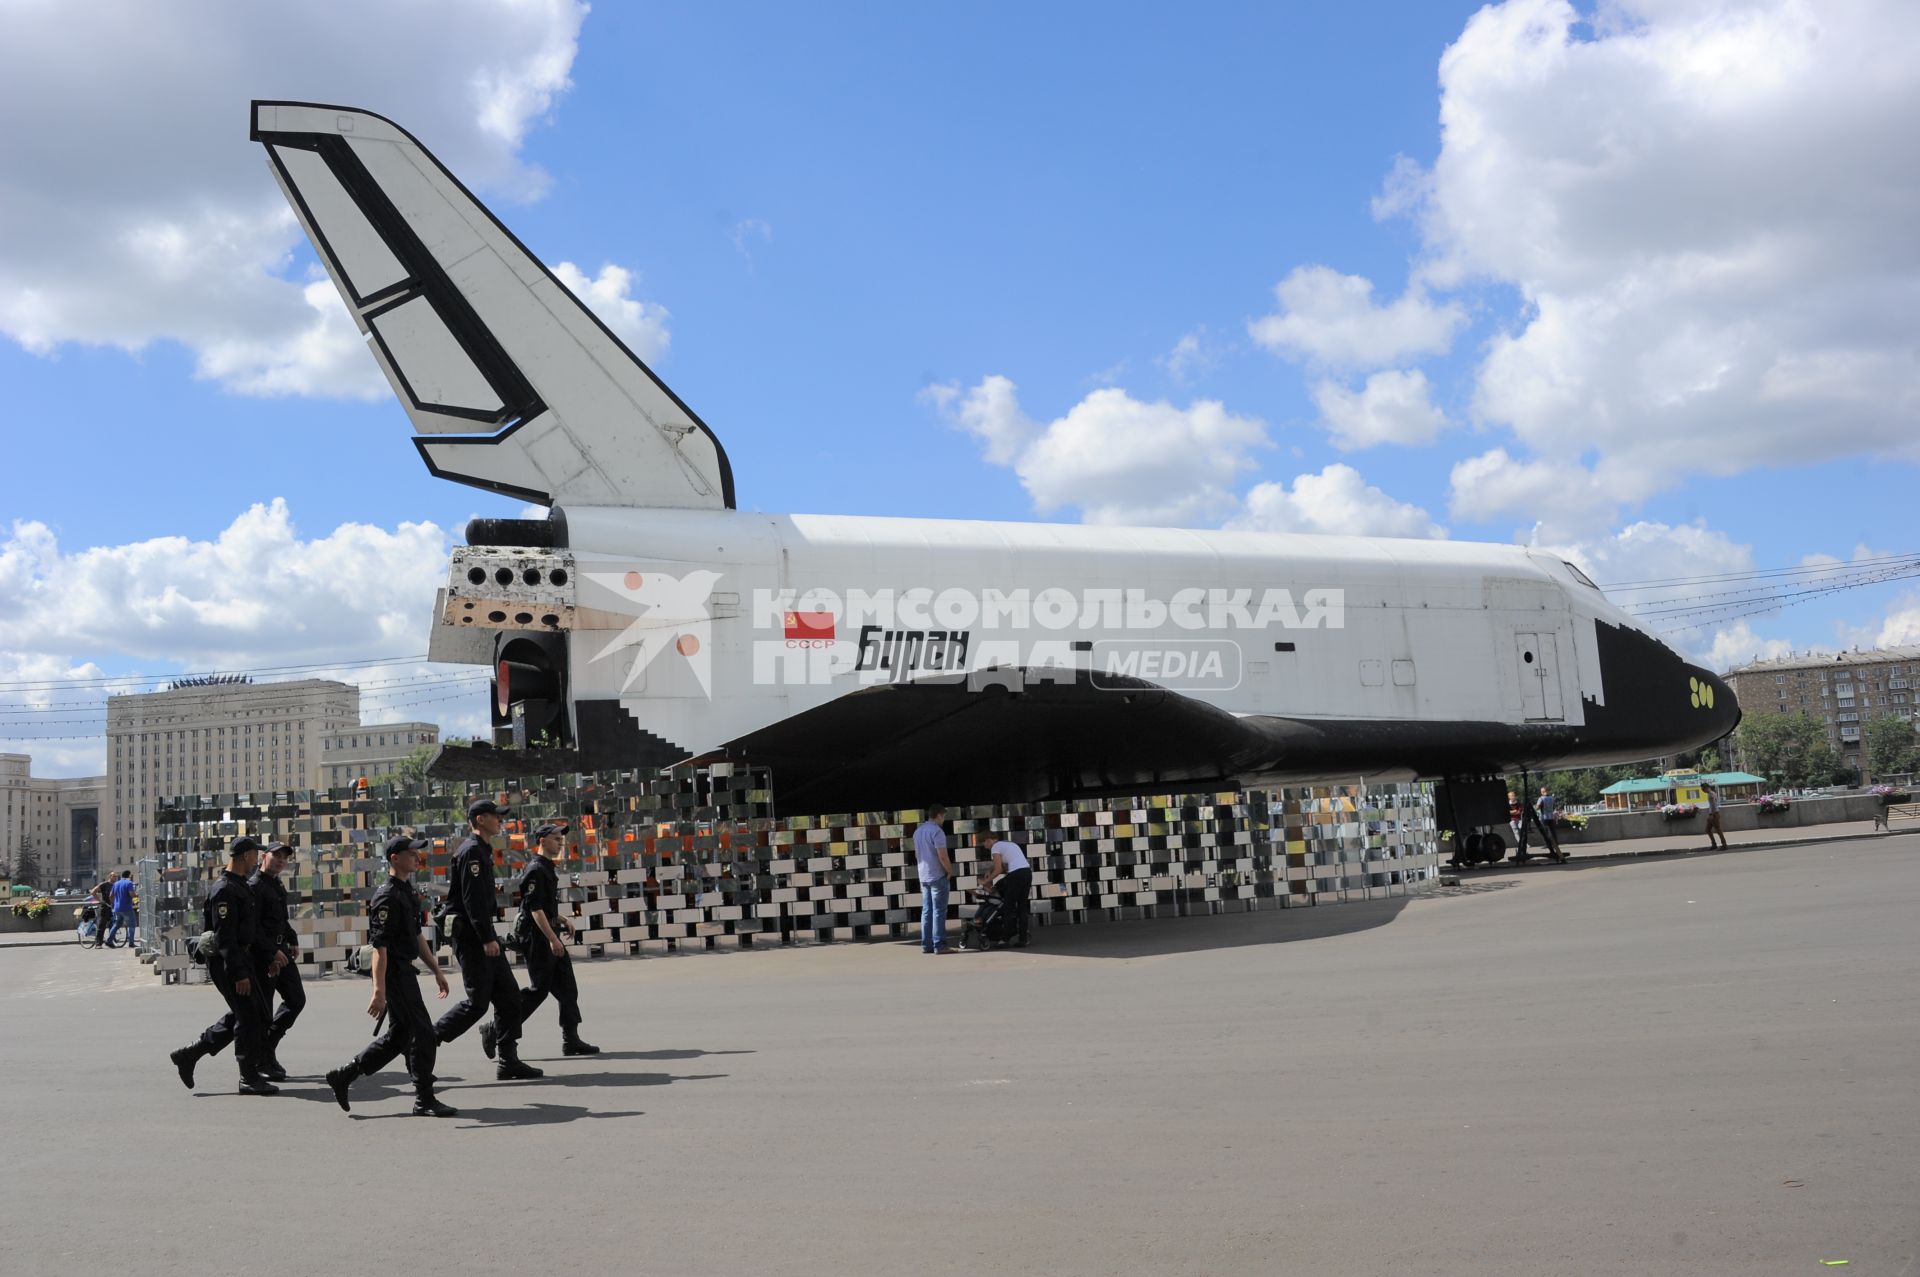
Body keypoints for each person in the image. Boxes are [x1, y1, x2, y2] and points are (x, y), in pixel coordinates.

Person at [324, 836, 457, 1117]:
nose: (417, 858)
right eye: (411, 853)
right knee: (423, 1034)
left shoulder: (407, 891)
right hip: (394, 973)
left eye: (417, 853)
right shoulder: (386, 896)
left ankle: (345, 1074)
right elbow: (379, 948)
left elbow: (417, 936)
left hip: (405, 970)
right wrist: (379, 990)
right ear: (395, 858)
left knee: (399, 1036)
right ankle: (424, 1098)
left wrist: (436, 970)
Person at [435, 799, 539, 1079]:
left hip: (483, 935)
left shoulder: (480, 849)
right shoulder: (471, 852)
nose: (500, 821)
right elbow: (473, 901)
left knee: (509, 998)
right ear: (480, 819)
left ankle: (508, 1061)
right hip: (473, 938)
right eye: (496, 816)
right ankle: (423, 1044)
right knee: (477, 1004)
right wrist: (486, 938)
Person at [168, 837, 277, 1096]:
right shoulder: (224, 889)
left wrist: (267, 956)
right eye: (254, 855)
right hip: (228, 962)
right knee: (248, 1017)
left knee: (256, 1013)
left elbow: (250, 929)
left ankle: (191, 1054)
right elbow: (224, 936)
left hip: (244, 958)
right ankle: (248, 1077)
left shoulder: (240, 885)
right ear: (245, 856)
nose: (257, 860)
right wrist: (239, 972)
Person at [497, 821, 599, 1056]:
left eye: (562, 839)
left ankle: (571, 1039)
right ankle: (496, 1030)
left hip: (548, 933)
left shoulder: (546, 867)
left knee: (568, 988)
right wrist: (553, 939)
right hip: (538, 937)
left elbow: (543, 906)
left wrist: (562, 920)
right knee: (538, 990)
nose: (561, 842)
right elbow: (534, 909)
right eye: (556, 838)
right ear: (542, 841)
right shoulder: (535, 869)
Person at [249, 841, 305, 1081]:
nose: (281, 860)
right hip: (265, 956)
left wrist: (292, 939)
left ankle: (268, 1046)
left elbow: (281, 918)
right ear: (264, 856)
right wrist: (271, 952)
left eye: (285, 857)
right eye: (277, 856)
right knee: (263, 1010)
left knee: (296, 999)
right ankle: (261, 1058)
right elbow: (252, 928)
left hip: (281, 950)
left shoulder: (276, 883)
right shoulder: (255, 886)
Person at [977, 831, 1033, 948]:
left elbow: (998, 869)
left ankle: (1005, 938)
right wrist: (990, 871)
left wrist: (985, 882)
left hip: (1016, 875)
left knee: (1008, 906)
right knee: (1022, 906)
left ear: (988, 840)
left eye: (983, 844)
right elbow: (1001, 865)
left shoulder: (995, 847)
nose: (984, 846)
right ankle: (1023, 938)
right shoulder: (1007, 843)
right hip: (1027, 872)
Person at [914, 805, 953, 955]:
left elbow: (918, 855)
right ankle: (940, 945)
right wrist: (949, 870)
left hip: (923, 875)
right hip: (937, 875)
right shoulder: (937, 831)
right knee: (939, 911)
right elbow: (942, 855)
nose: (943, 820)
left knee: (927, 910)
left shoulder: (918, 832)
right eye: (943, 816)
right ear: (939, 816)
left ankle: (926, 945)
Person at [105, 869, 138, 948]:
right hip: (126, 907)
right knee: (132, 924)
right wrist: (138, 894)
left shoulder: (116, 884)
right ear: (129, 875)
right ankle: (131, 942)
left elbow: (110, 896)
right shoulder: (129, 883)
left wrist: (113, 904)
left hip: (117, 908)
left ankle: (109, 941)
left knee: (117, 924)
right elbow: (132, 895)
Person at [87, 876, 114, 947]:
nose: (115, 878)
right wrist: (100, 901)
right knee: (102, 925)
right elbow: (93, 892)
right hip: (105, 907)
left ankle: (110, 941)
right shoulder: (104, 884)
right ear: (110, 877)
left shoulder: (114, 885)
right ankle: (98, 943)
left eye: (116, 876)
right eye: (114, 876)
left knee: (112, 924)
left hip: (112, 907)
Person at [1703, 782, 1728, 849]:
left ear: (1707, 788)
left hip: (1714, 814)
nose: (1703, 790)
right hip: (1712, 814)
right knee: (1708, 830)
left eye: (1703, 789)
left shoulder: (1711, 794)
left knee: (1718, 830)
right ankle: (1714, 844)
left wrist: (1712, 815)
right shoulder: (1710, 794)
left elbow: (1714, 804)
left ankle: (1724, 844)